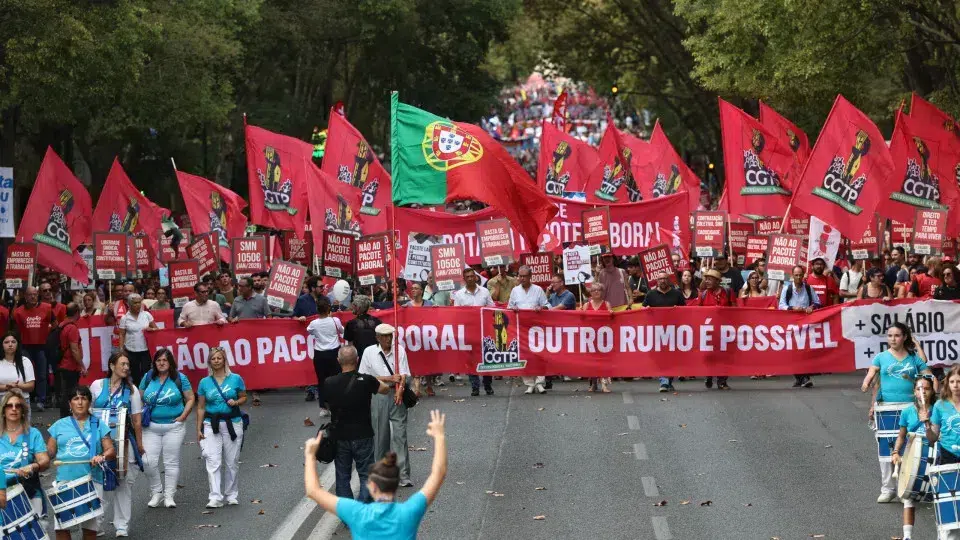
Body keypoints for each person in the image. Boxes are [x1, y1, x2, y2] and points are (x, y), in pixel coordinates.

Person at [303, 409, 447, 538]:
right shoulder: (409, 512)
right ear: (396, 484)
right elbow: (438, 473)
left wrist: (310, 455)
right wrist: (439, 436)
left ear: (371, 486)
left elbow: (313, 490)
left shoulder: (356, 513)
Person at [860, 323, 934, 503]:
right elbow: (872, 376)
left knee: (909, 448)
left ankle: (905, 488)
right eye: (890, 335)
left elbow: (928, 376)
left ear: (904, 337)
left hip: (910, 407)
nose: (893, 339)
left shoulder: (913, 358)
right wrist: (866, 384)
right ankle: (887, 488)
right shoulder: (881, 357)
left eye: (897, 335)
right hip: (886, 407)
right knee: (886, 449)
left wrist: (932, 395)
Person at [322, 345, 391, 502]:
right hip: (363, 434)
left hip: (339, 436)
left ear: (338, 361)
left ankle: (348, 513)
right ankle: (363, 508)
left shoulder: (329, 382)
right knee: (366, 474)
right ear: (357, 360)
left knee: (342, 475)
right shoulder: (367, 380)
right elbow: (386, 389)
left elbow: (326, 404)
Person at [46, 385, 115, 540]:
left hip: (91, 480)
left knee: (90, 529)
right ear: (70, 403)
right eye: (75, 398)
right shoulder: (59, 425)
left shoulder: (98, 424)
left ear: (89, 402)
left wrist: (102, 456)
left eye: (84, 398)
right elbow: (49, 452)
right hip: (64, 480)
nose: (80, 402)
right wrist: (37, 458)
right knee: (62, 527)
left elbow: (110, 450)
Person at [91, 353, 145, 537]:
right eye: (122, 364)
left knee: (123, 482)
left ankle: (122, 525)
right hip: (100, 442)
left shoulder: (132, 390)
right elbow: (88, 413)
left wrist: (139, 445)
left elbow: (137, 419)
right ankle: (95, 524)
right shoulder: (97, 385)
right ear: (112, 365)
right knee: (98, 481)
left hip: (123, 442)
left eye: (128, 364)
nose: (126, 367)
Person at [140, 348, 195, 508]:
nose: (162, 363)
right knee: (147, 461)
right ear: (154, 363)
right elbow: (139, 397)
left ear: (170, 362)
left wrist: (183, 416)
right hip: (151, 426)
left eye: (165, 360)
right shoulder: (148, 377)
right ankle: (156, 492)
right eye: (158, 360)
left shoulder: (179, 378)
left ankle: (169, 495)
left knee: (171, 462)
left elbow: (191, 398)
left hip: (174, 427)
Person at [360, 324, 413, 487]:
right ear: (377, 338)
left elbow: (404, 373)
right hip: (378, 394)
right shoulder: (369, 352)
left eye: (390, 335)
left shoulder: (400, 350)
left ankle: (403, 475)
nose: (388, 339)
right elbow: (364, 377)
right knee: (380, 435)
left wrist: (400, 390)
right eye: (384, 336)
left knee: (400, 434)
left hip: (397, 393)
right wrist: (389, 378)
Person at [196, 347, 247, 508]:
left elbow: (244, 396)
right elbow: (201, 407)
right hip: (211, 423)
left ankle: (231, 494)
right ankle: (215, 497)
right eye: (213, 358)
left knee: (232, 461)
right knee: (213, 460)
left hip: (233, 422)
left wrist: (237, 402)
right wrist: (198, 428)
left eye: (219, 358)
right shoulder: (204, 382)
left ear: (224, 360)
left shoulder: (236, 378)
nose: (216, 361)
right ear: (209, 362)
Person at [891, 376, 937, 540]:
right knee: (908, 497)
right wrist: (896, 452)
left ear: (932, 391)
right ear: (914, 392)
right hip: (913, 456)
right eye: (919, 389)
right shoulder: (907, 412)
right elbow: (901, 436)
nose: (922, 391)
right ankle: (908, 536)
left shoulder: (939, 409)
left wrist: (928, 421)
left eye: (926, 388)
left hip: (934, 453)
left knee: (938, 497)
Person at [0, 389, 49, 517]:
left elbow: (44, 461)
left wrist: (33, 466)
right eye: (9, 406)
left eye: (18, 406)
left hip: (29, 491)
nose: (14, 409)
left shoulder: (33, 434)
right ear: (3, 411)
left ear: (23, 411)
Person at [451, 268, 495, 396]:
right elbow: (456, 314)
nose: (470, 278)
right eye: (468, 277)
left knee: (487, 357)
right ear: (464, 279)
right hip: (468, 331)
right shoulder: (459, 295)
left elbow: (492, 309)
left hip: (484, 330)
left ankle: (488, 385)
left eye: (472, 276)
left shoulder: (485, 292)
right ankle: (475, 386)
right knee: (470, 359)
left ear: (475, 278)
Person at [508, 266, 549, 394]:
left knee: (539, 355)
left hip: (537, 328)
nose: (522, 278)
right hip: (521, 328)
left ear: (530, 276)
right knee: (524, 355)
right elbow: (509, 307)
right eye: (520, 276)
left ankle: (540, 382)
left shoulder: (538, 290)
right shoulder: (515, 290)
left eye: (524, 276)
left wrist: (541, 308)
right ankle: (529, 384)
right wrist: (513, 309)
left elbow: (547, 306)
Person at [778, 265, 820, 389]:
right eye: (796, 275)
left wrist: (811, 308)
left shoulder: (808, 288)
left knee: (804, 350)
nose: (798, 277)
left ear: (803, 275)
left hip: (806, 323)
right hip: (791, 323)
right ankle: (800, 377)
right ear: (792, 276)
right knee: (793, 351)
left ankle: (804, 377)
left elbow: (817, 302)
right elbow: (781, 306)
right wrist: (792, 308)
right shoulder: (787, 289)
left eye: (800, 275)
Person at [643, 273, 686, 392]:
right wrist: (646, 310)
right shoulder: (651, 294)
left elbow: (685, 310)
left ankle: (669, 379)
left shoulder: (677, 293)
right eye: (660, 279)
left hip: (673, 330)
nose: (663, 281)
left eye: (665, 278)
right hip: (657, 330)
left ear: (669, 280)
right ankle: (664, 380)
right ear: (657, 281)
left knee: (672, 356)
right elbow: (643, 309)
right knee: (660, 356)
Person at [13, 287, 53, 412]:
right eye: (30, 295)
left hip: (41, 346)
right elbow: (16, 329)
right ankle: (25, 399)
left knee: (41, 374)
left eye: (35, 294)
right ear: (25, 296)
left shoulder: (47, 308)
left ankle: (41, 400)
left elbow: (55, 324)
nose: (32, 297)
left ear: (38, 295)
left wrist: (47, 331)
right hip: (25, 346)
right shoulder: (19, 312)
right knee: (24, 374)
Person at [302, 297, 343, 416]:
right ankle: (337, 405)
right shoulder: (335, 320)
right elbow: (341, 330)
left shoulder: (314, 323)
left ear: (317, 310)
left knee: (322, 381)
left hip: (320, 354)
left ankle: (324, 407)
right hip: (334, 353)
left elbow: (309, 330)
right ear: (328, 309)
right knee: (336, 379)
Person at [698, 269, 732, 390]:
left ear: (718, 281)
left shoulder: (727, 292)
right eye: (705, 279)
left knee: (724, 356)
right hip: (708, 331)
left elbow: (735, 309)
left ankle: (722, 381)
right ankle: (709, 375)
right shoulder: (703, 294)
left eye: (710, 279)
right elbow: (697, 311)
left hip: (724, 330)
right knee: (709, 355)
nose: (706, 281)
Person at [118, 293, 157, 387]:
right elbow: (122, 334)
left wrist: (151, 330)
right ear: (129, 304)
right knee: (135, 373)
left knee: (147, 371)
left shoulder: (147, 315)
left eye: (139, 302)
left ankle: (147, 390)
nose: (138, 305)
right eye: (135, 303)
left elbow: (156, 329)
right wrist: (121, 349)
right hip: (131, 350)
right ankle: (137, 392)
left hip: (145, 349)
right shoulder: (125, 318)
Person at [59, 303, 85, 418]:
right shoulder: (72, 328)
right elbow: (74, 349)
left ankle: (65, 416)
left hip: (62, 364)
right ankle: (67, 416)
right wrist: (82, 366)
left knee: (65, 392)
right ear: (77, 313)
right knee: (70, 392)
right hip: (70, 365)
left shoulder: (62, 324)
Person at [344, 295, 382, 365]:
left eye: (354, 305)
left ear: (358, 307)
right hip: (376, 358)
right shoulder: (377, 321)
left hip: (361, 361)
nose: (352, 307)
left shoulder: (351, 324)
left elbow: (350, 346)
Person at [0, 332, 35, 405]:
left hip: (22, 401)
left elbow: (31, 386)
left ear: (17, 344)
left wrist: (17, 386)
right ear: (2, 345)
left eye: (13, 342)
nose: (10, 345)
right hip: (1, 400)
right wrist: (6, 387)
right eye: (6, 342)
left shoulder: (25, 361)